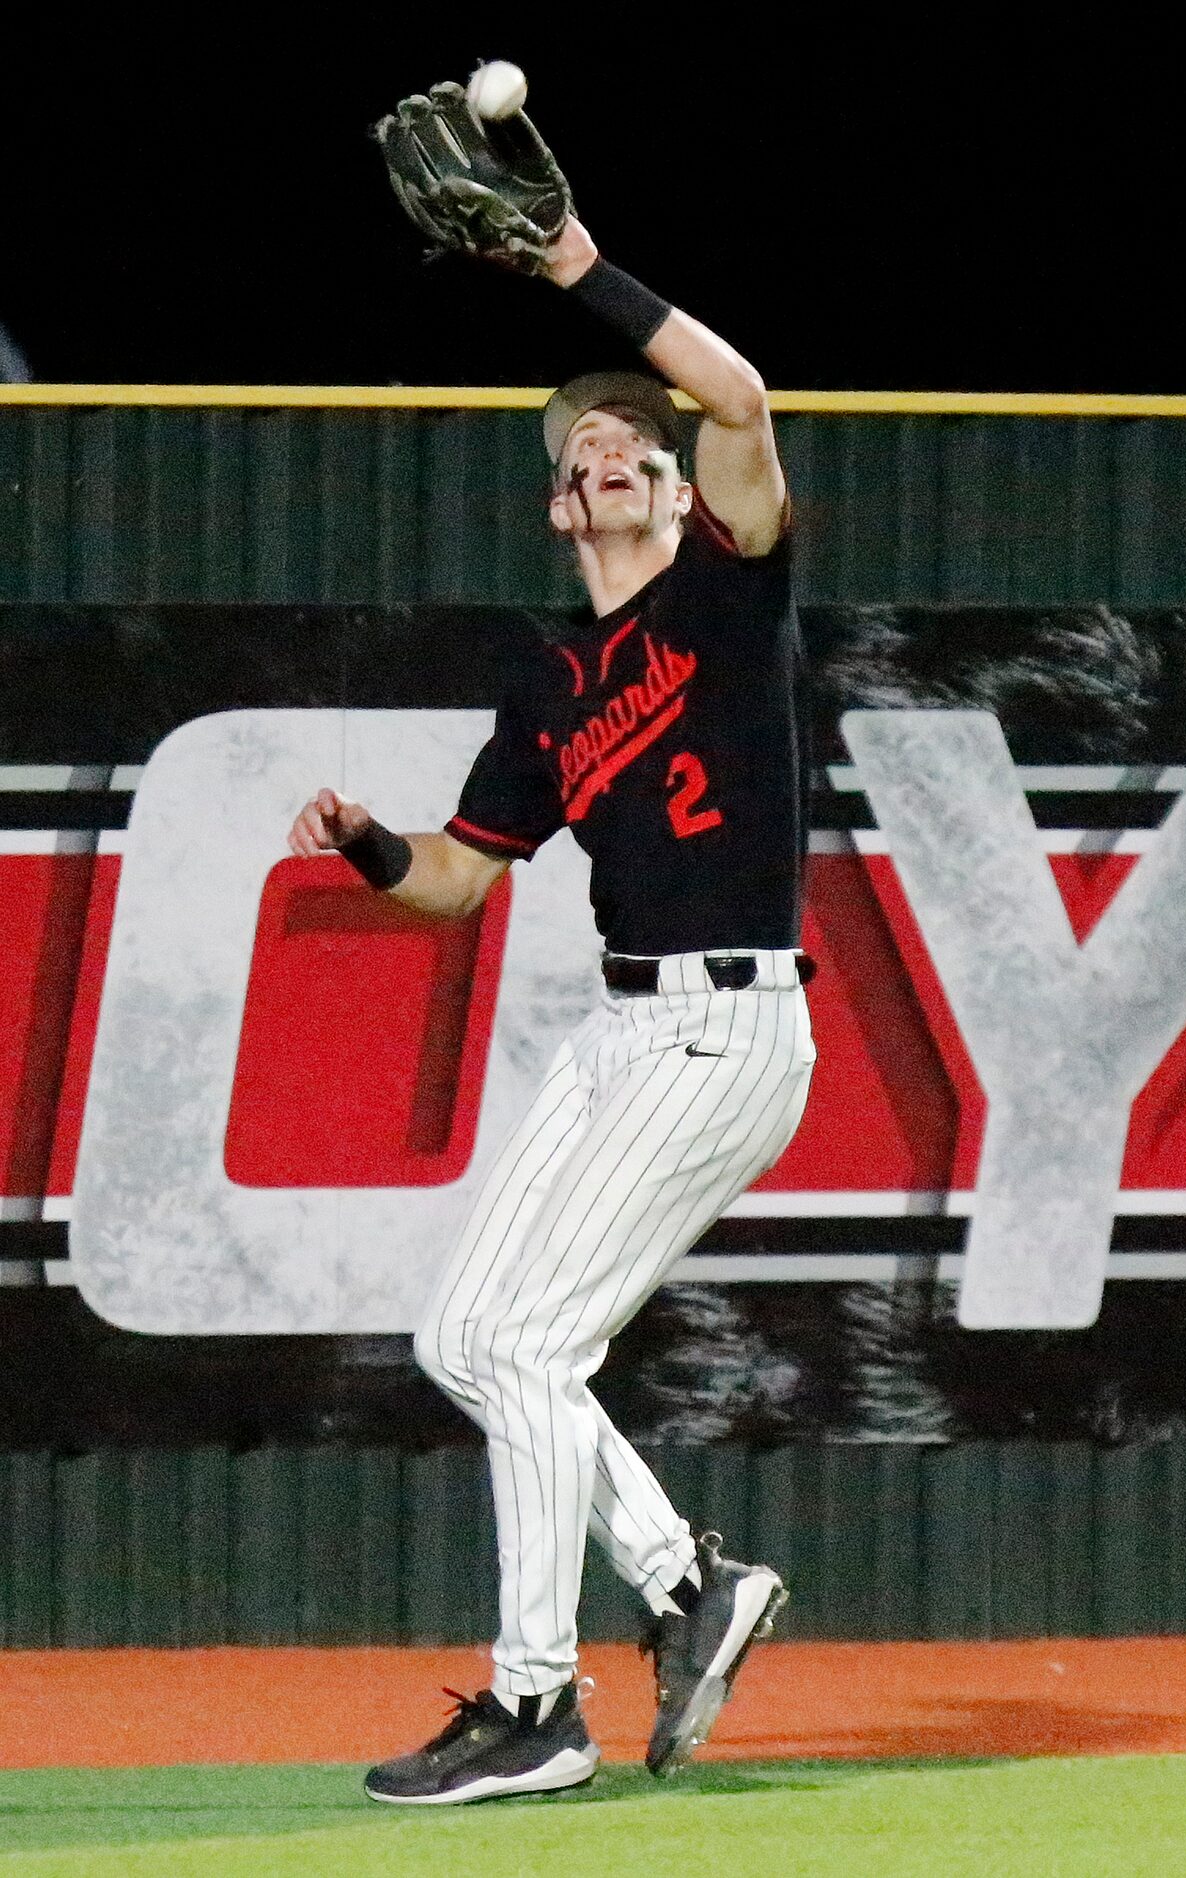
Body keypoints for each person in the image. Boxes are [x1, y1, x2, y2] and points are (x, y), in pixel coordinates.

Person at [288, 212, 816, 1805]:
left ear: (671, 488)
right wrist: (373, 843)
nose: (615, 457)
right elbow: (459, 877)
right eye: (587, 450)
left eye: (634, 448)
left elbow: (738, 401)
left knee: (522, 1338)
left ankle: (538, 1703)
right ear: (556, 503)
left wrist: (575, 261)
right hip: (624, 1030)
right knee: (467, 1334)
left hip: (728, 1025)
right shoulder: (547, 681)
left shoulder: (725, 596)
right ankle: (679, 1583)